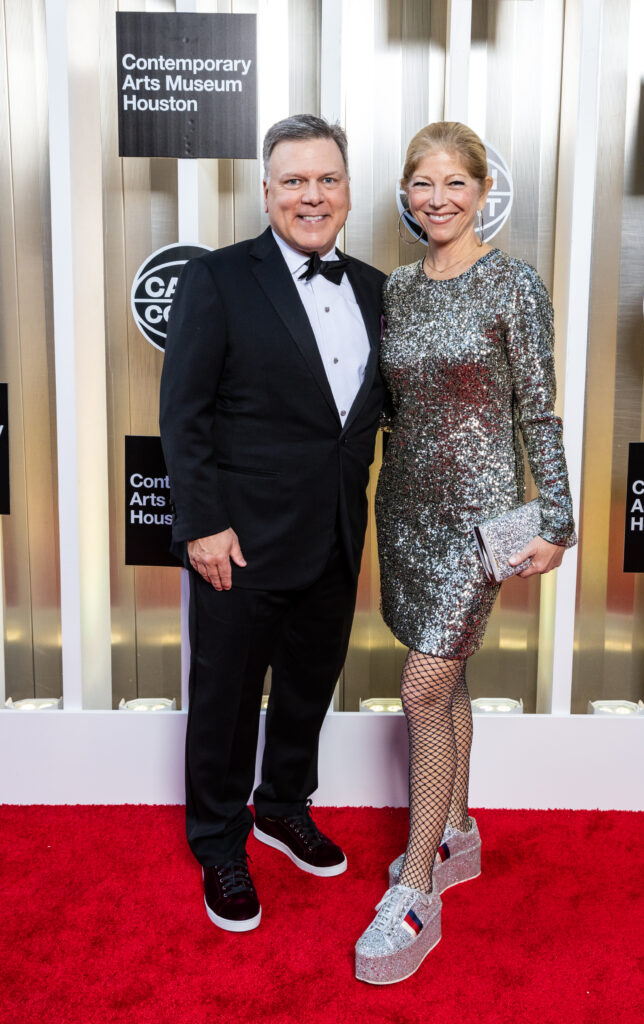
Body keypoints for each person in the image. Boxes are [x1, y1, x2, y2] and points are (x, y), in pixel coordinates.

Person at [354, 122, 576, 984]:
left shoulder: (513, 285)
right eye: (421, 184)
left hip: (485, 523)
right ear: (405, 196)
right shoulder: (397, 291)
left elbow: (536, 414)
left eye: (453, 183)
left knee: (420, 682)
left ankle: (415, 889)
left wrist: (553, 517)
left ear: (482, 190)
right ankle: (456, 834)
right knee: (448, 679)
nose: (436, 199)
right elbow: (385, 405)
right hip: (404, 507)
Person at [160, 115, 385, 933]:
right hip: (239, 539)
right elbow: (182, 414)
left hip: (333, 532)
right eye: (293, 181)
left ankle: (282, 804)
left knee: (306, 685)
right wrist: (203, 524)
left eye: (326, 179)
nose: (311, 196)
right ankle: (218, 842)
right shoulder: (216, 279)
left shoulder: (371, 286)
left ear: (348, 190)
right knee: (224, 699)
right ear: (266, 191)